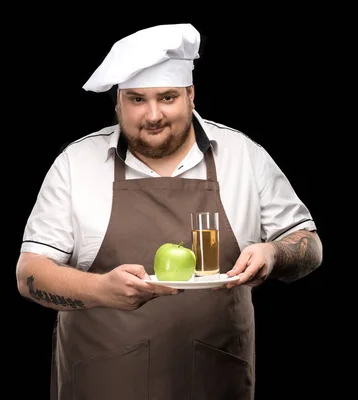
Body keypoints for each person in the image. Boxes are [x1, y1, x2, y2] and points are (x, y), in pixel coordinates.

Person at [16, 23, 323, 400]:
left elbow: (308, 243)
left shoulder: (244, 156)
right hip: (101, 384)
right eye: (136, 99)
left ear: (191, 95)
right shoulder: (75, 163)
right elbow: (30, 272)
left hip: (216, 381)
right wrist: (101, 290)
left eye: (167, 97)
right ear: (118, 102)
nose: (153, 115)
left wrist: (274, 253)